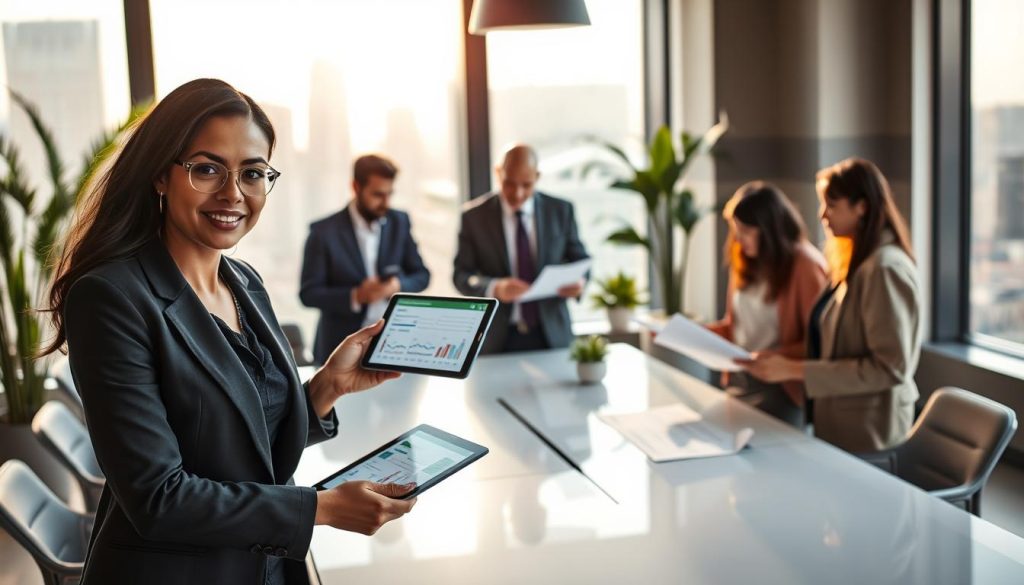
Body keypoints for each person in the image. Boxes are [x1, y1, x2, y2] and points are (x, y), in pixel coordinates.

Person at [42, 79, 416, 585]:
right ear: (160, 175)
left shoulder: (244, 282)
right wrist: (319, 510)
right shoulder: (112, 297)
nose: (233, 193)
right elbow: (158, 496)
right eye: (207, 169)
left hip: (263, 566)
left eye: (253, 173)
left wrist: (327, 387)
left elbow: (243, 446)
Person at [738, 158, 922, 453]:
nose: (823, 215)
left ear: (861, 206)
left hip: (869, 429)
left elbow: (889, 368)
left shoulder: (883, 268)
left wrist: (796, 370)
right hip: (842, 423)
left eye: (832, 205)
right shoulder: (857, 261)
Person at [706, 181, 828, 427]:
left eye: (746, 231)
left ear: (769, 229)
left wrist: (770, 356)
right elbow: (735, 326)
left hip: (782, 388)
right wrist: (696, 333)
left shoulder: (805, 265)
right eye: (735, 230)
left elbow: (820, 342)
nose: (738, 240)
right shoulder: (744, 260)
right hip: (741, 380)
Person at [453, 144, 589, 353]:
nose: (517, 194)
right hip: (496, 339)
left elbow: (581, 261)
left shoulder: (561, 211)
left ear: (538, 177)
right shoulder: (473, 218)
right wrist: (494, 287)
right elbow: (462, 275)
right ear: (498, 173)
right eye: (509, 183)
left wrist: (580, 282)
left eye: (526, 185)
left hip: (552, 335)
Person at [299, 154, 430, 364]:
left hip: (395, 343)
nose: (385, 203)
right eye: (378, 194)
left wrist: (396, 285)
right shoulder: (322, 232)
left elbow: (422, 275)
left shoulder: (400, 221)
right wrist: (357, 296)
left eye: (390, 194)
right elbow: (308, 294)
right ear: (356, 187)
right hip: (339, 347)